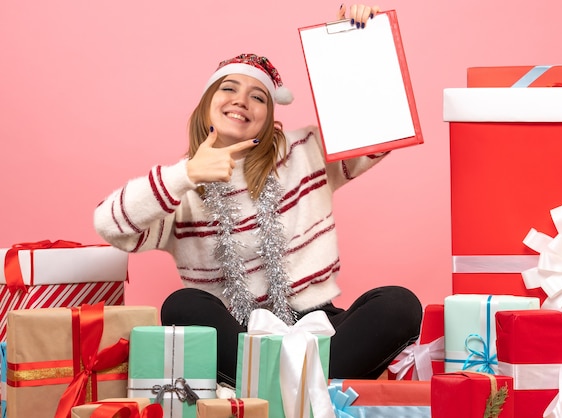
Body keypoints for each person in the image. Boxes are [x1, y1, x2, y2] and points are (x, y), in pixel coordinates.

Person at [94, 3, 422, 388]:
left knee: (400, 304)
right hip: (237, 336)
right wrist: (187, 173)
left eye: (258, 96)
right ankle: (304, 387)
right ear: (206, 106)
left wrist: (346, 47)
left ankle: (274, 387)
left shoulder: (307, 150)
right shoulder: (180, 186)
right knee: (180, 306)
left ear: (269, 117)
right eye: (228, 88)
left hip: (320, 329)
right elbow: (109, 225)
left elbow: (379, 128)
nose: (241, 100)